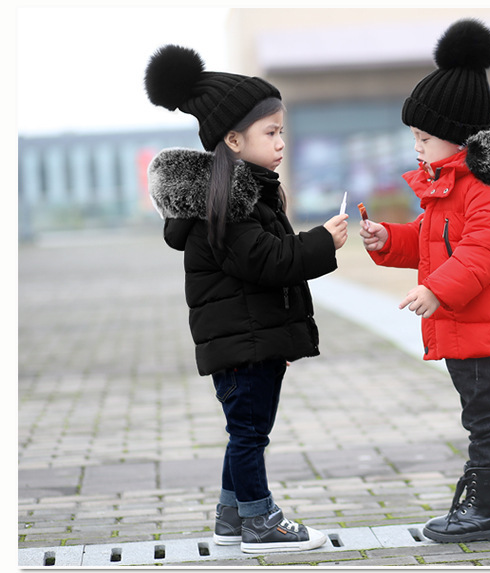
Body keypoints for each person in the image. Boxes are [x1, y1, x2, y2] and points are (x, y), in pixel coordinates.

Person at [144, 44, 348, 553]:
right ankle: (261, 522)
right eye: (271, 132)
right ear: (233, 139)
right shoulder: (228, 206)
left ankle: (232, 516)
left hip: (250, 339)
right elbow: (268, 261)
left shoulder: (246, 191)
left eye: (282, 131)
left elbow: (269, 253)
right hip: (244, 344)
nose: (281, 142)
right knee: (250, 432)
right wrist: (322, 240)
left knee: (247, 428)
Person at [359, 19, 490, 543]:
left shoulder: (487, 192)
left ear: (460, 136)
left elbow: (480, 254)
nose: (417, 147)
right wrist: (387, 240)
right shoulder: (451, 188)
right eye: (415, 138)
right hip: (478, 327)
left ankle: (486, 510)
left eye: (424, 137)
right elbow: (429, 239)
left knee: (486, 422)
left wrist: (436, 290)